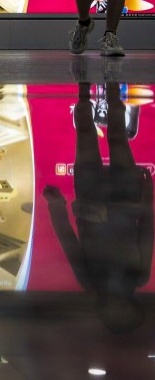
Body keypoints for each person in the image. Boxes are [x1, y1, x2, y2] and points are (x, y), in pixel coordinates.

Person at [44, 78, 152, 333]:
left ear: (104, 313)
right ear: (134, 309)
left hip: (91, 196)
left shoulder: (89, 281)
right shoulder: (138, 277)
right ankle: (113, 86)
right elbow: (147, 231)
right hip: (126, 197)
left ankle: (83, 87)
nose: (120, 310)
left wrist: (56, 206)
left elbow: (68, 240)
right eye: (127, 314)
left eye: (116, 317)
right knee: (118, 137)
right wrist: (149, 193)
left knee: (84, 132)